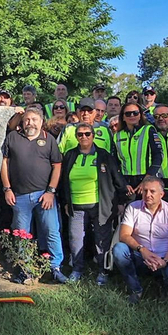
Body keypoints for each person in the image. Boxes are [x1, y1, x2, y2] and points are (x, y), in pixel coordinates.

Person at [2, 106, 66, 283]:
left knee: (51, 231)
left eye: (34, 119)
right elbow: (4, 163)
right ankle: (25, 269)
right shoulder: (13, 137)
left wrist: (51, 192)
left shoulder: (49, 139)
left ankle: (55, 267)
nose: (30, 123)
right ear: (23, 122)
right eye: (27, 120)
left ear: (41, 122)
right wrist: (7, 188)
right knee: (22, 234)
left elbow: (57, 166)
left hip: (44, 196)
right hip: (19, 196)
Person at [56, 121, 123, 282]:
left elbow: (116, 178)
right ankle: (77, 269)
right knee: (75, 238)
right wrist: (65, 201)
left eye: (87, 134)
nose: (84, 137)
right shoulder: (70, 155)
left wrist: (121, 200)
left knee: (102, 239)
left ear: (93, 136)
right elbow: (63, 180)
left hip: (100, 205)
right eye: (80, 134)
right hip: (76, 206)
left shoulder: (104, 155)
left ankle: (103, 271)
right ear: (76, 137)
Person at [113, 177, 168, 302]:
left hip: (163, 257)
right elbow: (124, 236)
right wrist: (142, 250)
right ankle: (135, 289)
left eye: (152, 191)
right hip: (140, 254)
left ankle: (164, 285)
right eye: (145, 191)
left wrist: (165, 262)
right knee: (119, 249)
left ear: (162, 194)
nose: (148, 195)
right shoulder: (133, 208)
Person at [112, 103, 161, 205]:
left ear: (140, 115)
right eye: (128, 114)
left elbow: (158, 156)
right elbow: (115, 162)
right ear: (123, 117)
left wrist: (147, 179)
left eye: (135, 113)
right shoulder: (117, 135)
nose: (132, 116)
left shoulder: (148, 130)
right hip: (126, 181)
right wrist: (123, 183)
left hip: (146, 179)